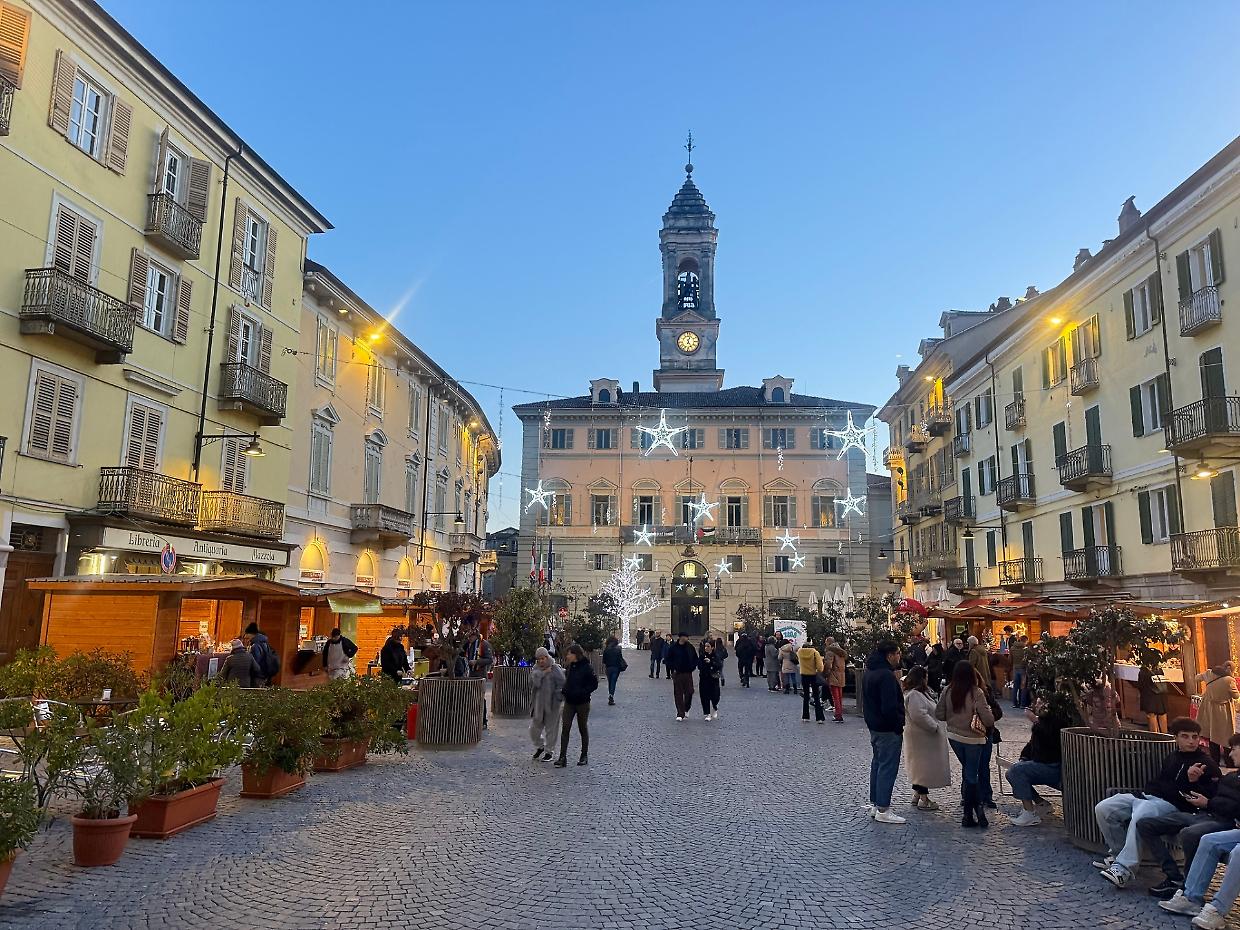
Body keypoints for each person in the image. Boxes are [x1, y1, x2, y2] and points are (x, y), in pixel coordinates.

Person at [1093, 716, 1220, 888]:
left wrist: (1192, 781)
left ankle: (1123, 869)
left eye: (1195, 736)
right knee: (1104, 808)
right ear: (1175, 737)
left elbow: (1210, 794)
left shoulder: (1205, 763)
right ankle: (1118, 856)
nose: (1191, 741)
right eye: (1185, 736)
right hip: (1147, 796)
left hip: (1172, 805)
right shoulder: (1173, 756)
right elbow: (1163, 782)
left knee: (1140, 816)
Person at [1141, 760, 1240, 899]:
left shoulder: (1209, 763)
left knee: (1190, 834)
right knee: (1145, 825)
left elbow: (1233, 808)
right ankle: (1173, 876)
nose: (1230, 754)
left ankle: (1187, 888)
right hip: (1204, 814)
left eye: (1235, 748)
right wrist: (1193, 781)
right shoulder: (1231, 776)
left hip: (1224, 822)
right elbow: (1212, 793)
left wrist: (1209, 803)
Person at [935, 660, 995, 828]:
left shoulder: (947, 691)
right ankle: (970, 815)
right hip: (973, 739)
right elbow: (989, 720)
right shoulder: (976, 693)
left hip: (954, 737)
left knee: (969, 773)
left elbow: (939, 714)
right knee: (971, 775)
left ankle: (973, 813)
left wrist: (954, 718)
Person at [862, 641, 906, 825]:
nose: (899, 657)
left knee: (878, 765)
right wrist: (898, 723)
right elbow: (889, 707)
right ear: (889, 655)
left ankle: (876, 804)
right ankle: (883, 808)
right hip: (887, 728)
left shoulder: (869, 672)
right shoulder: (886, 676)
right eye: (897, 654)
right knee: (887, 767)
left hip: (874, 726)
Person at [1006, 700, 1070, 826]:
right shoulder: (1043, 722)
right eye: (1037, 703)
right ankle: (1041, 803)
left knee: (1015, 771)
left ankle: (1029, 813)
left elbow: (1050, 741)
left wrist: (1035, 721)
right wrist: (1023, 758)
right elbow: (1032, 745)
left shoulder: (1056, 721)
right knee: (1012, 772)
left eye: (1041, 703)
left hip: (1055, 767)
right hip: (1045, 765)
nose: (1037, 706)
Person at [903, 665, 949, 811]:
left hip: (922, 737)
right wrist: (934, 726)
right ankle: (924, 798)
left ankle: (917, 795)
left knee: (921, 767)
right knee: (922, 767)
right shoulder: (915, 695)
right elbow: (919, 714)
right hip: (922, 737)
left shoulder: (919, 693)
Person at [555, 644, 597, 767]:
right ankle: (562, 757)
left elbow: (594, 684)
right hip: (569, 702)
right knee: (565, 728)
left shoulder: (587, 667)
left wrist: (583, 692)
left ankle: (584, 755)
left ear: (575, 654)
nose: (567, 656)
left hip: (582, 703)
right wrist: (565, 690)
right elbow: (568, 681)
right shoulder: (570, 666)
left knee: (582, 728)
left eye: (569, 654)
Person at [529, 647, 565, 762]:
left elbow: (562, 683)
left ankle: (549, 752)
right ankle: (540, 746)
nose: (541, 661)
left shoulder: (555, 668)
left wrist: (558, 698)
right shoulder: (536, 669)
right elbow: (534, 683)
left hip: (553, 705)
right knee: (534, 729)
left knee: (551, 730)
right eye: (539, 659)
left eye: (543, 658)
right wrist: (543, 673)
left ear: (547, 657)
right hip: (539, 705)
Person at [1197, 664, 1240, 761]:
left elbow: (1197, 678)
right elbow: (1236, 696)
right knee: (1226, 736)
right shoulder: (1229, 680)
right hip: (1224, 710)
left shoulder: (1208, 674)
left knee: (1213, 736)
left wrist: (1204, 675)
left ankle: (1214, 760)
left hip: (1210, 710)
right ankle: (1229, 761)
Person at [665, 631, 698, 721]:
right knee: (678, 693)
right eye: (685, 636)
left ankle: (686, 708)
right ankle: (680, 713)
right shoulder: (673, 648)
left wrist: (693, 667)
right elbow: (668, 659)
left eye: (687, 637)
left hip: (688, 673)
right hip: (678, 673)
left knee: (690, 692)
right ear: (680, 637)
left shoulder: (690, 647)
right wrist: (673, 668)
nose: (686, 638)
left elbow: (695, 658)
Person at [797, 639, 825, 723]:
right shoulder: (814, 653)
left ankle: (805, 716)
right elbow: (820, 667)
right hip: (813, 675)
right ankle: (819, 717)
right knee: (816, 696)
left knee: (806, 696)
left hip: (804, 675)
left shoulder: (799, 652)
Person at [1138, 661, 1170, 734]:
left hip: (1150, 696)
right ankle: (1165, 735)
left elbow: (1141, 685)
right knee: (1162, 714)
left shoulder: (1143, 670)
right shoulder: (1159, 669)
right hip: (1161, 695)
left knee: (1151, 715)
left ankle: (1155, 736)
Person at [698, 639, 723, 720]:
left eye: (708, 646)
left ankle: (715, 707)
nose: (706, 648)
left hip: (713, 678)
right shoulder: (702, 655)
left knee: (715, 696)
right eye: (705, 646)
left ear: (712, 647)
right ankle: (707, 713)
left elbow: (719, 665)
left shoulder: (716, 655)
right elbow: (699, 666)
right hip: (704, 678)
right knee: (704, 696)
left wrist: (711, 662)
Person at [824, 637, 848, 722]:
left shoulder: (830, 652)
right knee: (839, 696)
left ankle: (838, 715)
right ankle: (839, 713)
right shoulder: (840, 651)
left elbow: (828, 665)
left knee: (835, 697)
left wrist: (825, 674)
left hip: (834, 675)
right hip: (841, 675)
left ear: (828, 642)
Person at [602, 636, 627, 706]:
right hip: (616, 668)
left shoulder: (606, 649)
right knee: (613, 682)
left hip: (608, 668)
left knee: (610, 682)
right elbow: (620, 659)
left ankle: (610, 694)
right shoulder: (618, 649)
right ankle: (611, 695)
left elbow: (604, 660)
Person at [1010, 634, 1028, 708]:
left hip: (1015, 668)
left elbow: (1010, 659)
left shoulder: (1012, 648)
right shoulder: (1025, 649)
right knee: (1023, 686)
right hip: (1023, 669)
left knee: (1015, 686)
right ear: (1025, 641)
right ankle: (1022, 704)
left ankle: (1014, 703)